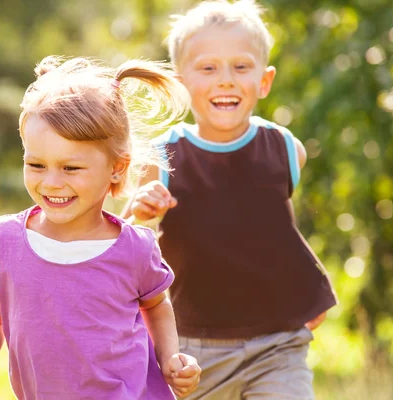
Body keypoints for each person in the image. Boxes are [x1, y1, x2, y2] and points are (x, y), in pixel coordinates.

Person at [0, 55, 202, 400]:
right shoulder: (1, 242)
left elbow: (156, 305)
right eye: (36, 164)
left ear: (117, 167)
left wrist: (170, 357)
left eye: (70, 168)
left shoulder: (135, 247)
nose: (51, 183)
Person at [122, 1, 338, 398]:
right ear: (182, 82)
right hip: (191, 348)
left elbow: (273, 227)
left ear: (265, 80)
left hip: (277, 345)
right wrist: (140, 209)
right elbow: (127, 238)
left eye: (241, 67)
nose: (225, 80)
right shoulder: (164, 155)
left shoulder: (286, 149)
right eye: (208, 68)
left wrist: (309, 289)